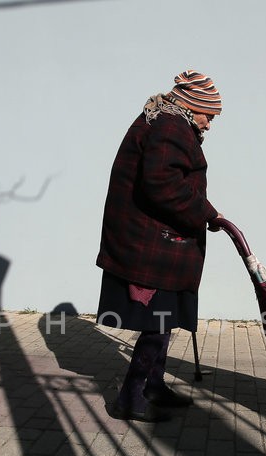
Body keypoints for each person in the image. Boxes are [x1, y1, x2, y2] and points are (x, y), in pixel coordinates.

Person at [96, 70, 225, 422]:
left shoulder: (164, 120)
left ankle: (153, 386)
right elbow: (163, 183)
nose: (210, 124)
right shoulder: (170, 126)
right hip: (155, 245)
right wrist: (208, 213)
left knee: (162, 322)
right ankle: (130, 398)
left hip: (154, 241)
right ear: (193, 105)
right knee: (157, 323)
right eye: (209, 116)